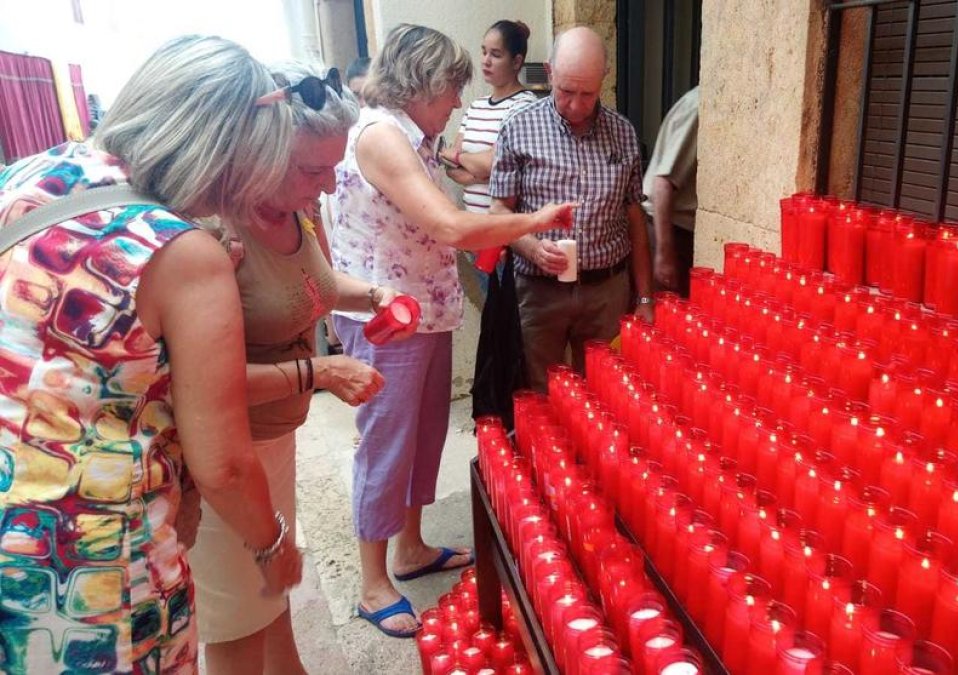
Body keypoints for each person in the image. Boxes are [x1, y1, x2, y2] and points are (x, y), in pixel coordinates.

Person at [0, 35, 301, 673]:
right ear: (223, 153)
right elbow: (222, 464)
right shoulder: (180, 252)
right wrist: (274, 544)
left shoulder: (30, 174)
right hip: (91, 558)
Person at [329, 23, 574, 637]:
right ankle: (371, 579)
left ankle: (410, 547)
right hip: (387, 317)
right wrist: (533, 220)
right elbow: (448, 226)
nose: (458, 103)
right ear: (423, 83)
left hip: (423, 312)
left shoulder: (415, 135)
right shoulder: (384, 136)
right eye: (452, 89)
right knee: (387, 441)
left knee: (425, 434)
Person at [189, 62, 409, 673]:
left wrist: (372, 296)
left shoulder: (293, 213)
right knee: (237, 620)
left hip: (275, 438)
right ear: (261, 155)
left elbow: (308, 285)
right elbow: (200, 384)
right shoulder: (214, 235)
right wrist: (321, 373)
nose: (330, 187)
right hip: (225, 455)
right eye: (314, 172)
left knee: (274, 590)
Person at [490, 26, 654, 392]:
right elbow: (499, 210)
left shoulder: (623, 133)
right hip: (538, 289)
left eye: (588, 94)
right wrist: (532, 247)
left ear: (604, 79)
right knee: (538, 390)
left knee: (605, 390)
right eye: (566, 92)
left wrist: (644, 297)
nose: (577, 105)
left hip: (606, 291)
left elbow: (635, 219)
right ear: (549, 72)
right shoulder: (519, 127)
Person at [442, 20, 538, 214]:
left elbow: (493, 162)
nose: (486, 60)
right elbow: (450, 167)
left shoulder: (526, 106)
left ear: (516, 62)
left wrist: (462, 158)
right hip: (473, 226)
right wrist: (487, 172)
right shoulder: (475, 106)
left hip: (507, 230)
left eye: (495, 55)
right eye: (484, 51)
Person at [643, 86, 699, 295]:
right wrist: (665, 255)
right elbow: (663, 184)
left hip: (678, 230)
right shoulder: (700, 107)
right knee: (665, 312)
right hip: (668, 229)